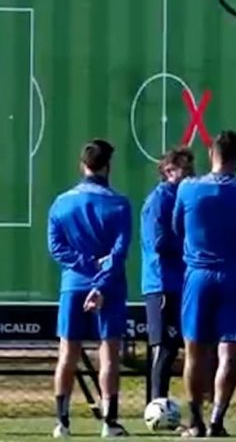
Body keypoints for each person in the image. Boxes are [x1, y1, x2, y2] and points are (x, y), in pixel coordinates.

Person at [173, 130, 236, 437]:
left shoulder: (188, 188)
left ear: (211, 154)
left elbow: (177, 228)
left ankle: (196, 420)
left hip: (198, 276)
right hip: (234, 275)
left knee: (194, 351)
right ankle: (216, 419)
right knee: (229, 352)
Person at [48, 139, 131, 438]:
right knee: (108, 355)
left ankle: (63, 423)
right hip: (109, 286)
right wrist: (100, 279)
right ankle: (109, 423)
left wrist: (84, 265)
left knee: (67, 354)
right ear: (108, 166)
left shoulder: (61, 202)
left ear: (83, 165)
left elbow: (57, 248)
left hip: (72, 285)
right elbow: (119, 254)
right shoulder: (119, 203)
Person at [141, 147, 195, 401]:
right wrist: (191, 244)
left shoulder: (185, 196)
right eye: (183, 170)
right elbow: (159, 243)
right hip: (162, 283)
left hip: (181, 283)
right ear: (168, 171)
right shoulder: (161, 199)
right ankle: (155, 404)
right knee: (163, 347)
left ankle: (165, 403)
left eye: (191, 170)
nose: (188, 175)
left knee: (176, 347)